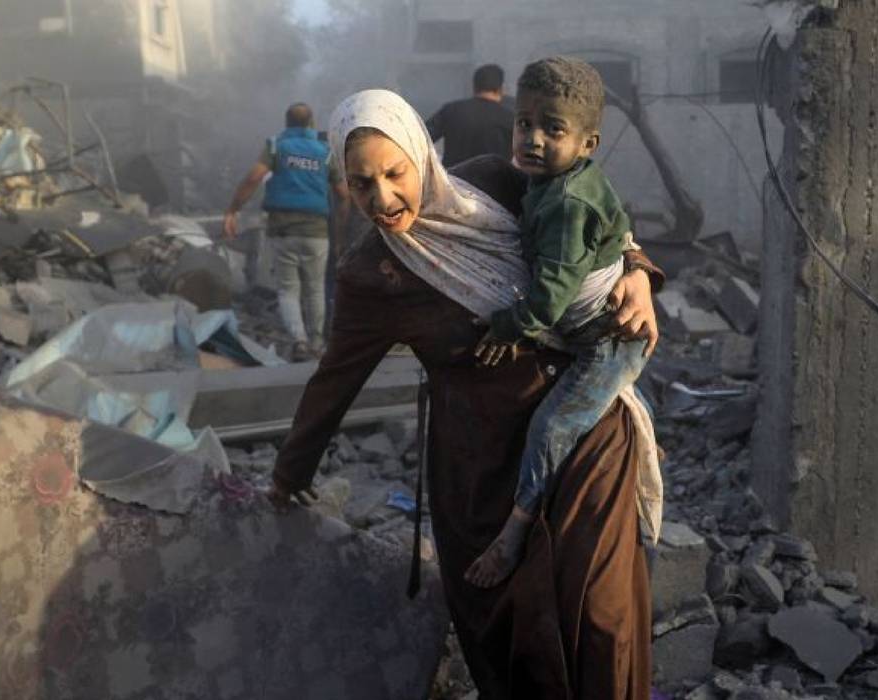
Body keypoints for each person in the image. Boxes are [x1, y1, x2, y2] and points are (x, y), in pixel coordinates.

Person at [267, 89, 663, 699]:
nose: (383, 199)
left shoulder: (494, 184)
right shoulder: (372, 274)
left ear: (422, 157)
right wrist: (288, 474)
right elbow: (334, 381)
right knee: (515, 633)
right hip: (480, 467)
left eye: (394, 174)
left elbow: (593, 215)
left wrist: (638, 272)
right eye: (361, 184)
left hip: (585, 432)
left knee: (599, 616)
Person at [464, 56, 652, 589]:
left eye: (554, 129)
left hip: (606, 341)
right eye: (525, 124)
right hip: (594, 325)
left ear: (588, 145)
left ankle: (514, 532)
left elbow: (547, 303)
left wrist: (505, 325)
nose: (535, 139)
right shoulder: (553, 182)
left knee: (550, 427)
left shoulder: (566, 204)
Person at [223, 102, 348, 360]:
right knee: (315, 289)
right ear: (311, 123)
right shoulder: (325, 152)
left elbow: (254, 177)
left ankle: (299, 341)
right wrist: (340, 231)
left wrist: (233, 210)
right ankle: (317, 344)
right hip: (317, 232)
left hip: (282, 231)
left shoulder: (276, 145)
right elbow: (343, 195)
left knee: (288, 290)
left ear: (287, 123)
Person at [426, 63, 514, 167]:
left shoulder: (451, 111)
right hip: (495, 180)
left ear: (474, 87)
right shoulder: (510, 117)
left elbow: (422, 136)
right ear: (501, 89)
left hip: (454, 179)